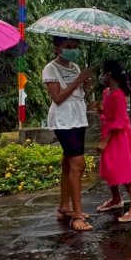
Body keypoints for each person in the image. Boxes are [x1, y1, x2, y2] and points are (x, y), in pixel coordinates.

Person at [42, 37, 93, 231]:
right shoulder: (50, 69)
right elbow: (58, 97)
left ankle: (65, 208)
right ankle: (77, 215)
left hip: (78, 117)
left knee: (68, 162)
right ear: (57, 48)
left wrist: (87, 85)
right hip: (63, 119)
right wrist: (79, 80)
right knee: (78, 164)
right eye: (68, 47)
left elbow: (80, 93)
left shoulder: (76, 66)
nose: (73, 50)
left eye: (75, 47)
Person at [95, 61, 131, 222]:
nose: (101, 76)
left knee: (123, 168)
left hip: (119, 137)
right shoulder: (107, 92)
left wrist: (105, 141)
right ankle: (116, 199)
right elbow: (108, 115)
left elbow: (119, 121)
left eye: (103, 73)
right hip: (109, 134)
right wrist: (100, 110)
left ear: (109, 75)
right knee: (111, 168)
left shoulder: (118, 95)